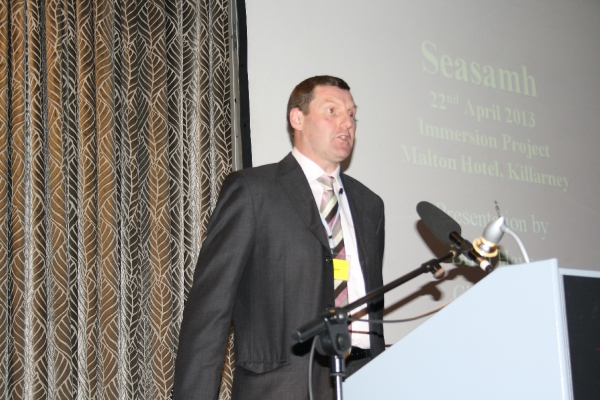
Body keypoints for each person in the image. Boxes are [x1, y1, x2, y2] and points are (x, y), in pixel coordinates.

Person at [173, 75, 385, 400]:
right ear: (297, 118)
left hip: (361, 380)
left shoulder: (370, 205)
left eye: (352, 114)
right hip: (280, 388)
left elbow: (373, 310)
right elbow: (210, 310)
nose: (347, 123)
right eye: (332, 111)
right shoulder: (253, 190)